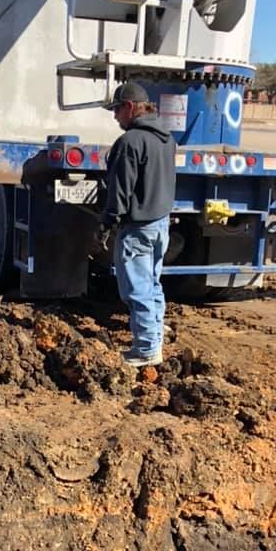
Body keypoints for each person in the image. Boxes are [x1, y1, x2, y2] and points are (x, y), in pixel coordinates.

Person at [97, 81, 176, 367]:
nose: (115, 116)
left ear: (130, 107)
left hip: (138, 228)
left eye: (117, 109)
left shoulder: (130, 142)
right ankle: (154, 336)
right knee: (152, 283)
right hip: (160, 223)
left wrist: (107, 222)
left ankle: (146, 349)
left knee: (137, 288)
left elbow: (120, 191)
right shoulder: (166, 138)